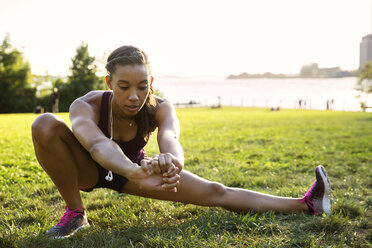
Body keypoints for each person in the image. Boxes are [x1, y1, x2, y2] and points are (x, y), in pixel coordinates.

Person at [31, 45, 331, 239]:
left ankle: (306, 204)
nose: (133, 96)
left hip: (137, 174)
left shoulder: (160, 106)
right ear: (110, 83)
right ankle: (76, 212)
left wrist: (171, 163)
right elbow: (97, 146)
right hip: (88, 168)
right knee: (44, 124)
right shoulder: (87, 105)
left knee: (217, 191)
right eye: (123, 87)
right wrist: (134, 171)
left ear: (151, 83)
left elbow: (170, 139)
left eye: (141, 87)